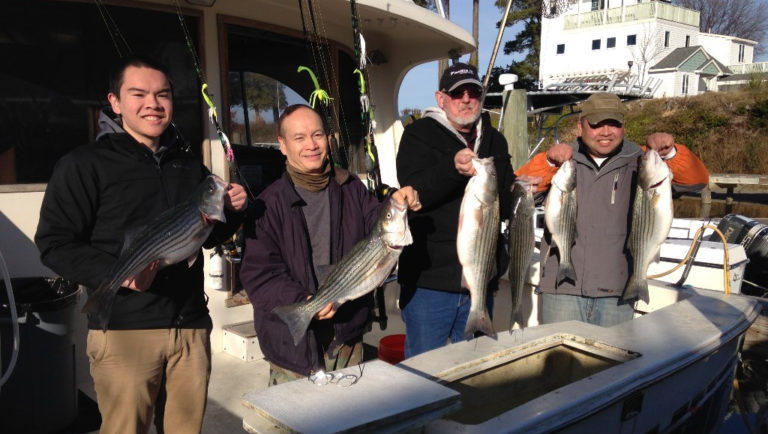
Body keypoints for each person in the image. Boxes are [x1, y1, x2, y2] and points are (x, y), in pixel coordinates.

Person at [35, 55, 248, 434]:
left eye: (163, 94)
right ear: (115, 102)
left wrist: (234, 209)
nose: (153, 104)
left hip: (190, 327)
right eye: (139, 94)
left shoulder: (188, 164)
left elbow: (205, 236)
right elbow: (53, 244)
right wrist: (115, 277)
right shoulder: (84, 164)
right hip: (125, 332)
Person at [239, 104, 420, 385]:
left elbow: (378, 224)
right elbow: (259, 276)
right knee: (296, 425)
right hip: (292, 348)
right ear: (283, 146)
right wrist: (304, 303)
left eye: (318, 135)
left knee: (348, 422)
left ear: (328, 138)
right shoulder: (267, 206)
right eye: (299, 138)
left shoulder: (351, 187)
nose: (311, 145)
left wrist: (398, 201)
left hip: (346, 337)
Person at [516, 92, 710, 327]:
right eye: (597, 125)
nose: (606, 132)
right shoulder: (563, 161)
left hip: (617, 291)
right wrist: (547, 163)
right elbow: (519, 190)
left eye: (614, 124)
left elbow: (696, 181)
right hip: (562, 288)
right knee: (562, 362)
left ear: (623, 127)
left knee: (612, 362)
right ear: (580, 127)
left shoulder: (642, 160)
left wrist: (671, 153)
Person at [396, 62, 514, 358]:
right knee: (422, 373)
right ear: (441, 98)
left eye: (473, 92)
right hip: (429, 283)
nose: (465, 99)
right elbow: (414, 190)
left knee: (475, 371)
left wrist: (524, 190)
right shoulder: (417, 134)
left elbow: (504, 200)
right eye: (457, 92)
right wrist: (452, 169)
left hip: (480, 278)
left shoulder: (494, 139)